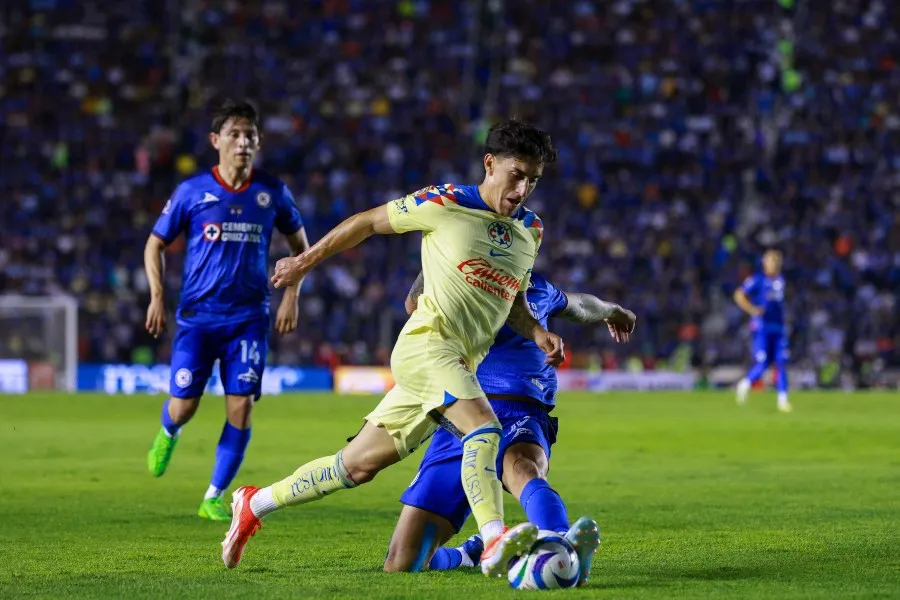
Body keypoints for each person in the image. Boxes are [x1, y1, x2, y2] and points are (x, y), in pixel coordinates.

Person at [221, 119, 563, 579]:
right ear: (490, 164)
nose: (523, 188)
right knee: (484, 429)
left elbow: (513, 299)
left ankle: (254, 502)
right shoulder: (444, 202)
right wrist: (302, 264)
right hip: (427, 347)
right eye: (517, 174)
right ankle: (495, 539)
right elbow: (367, 223)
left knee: (356, 465)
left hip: (460, 362)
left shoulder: (530, 230)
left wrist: (538, 332)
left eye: (533, 180)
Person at [383, 271, 635, 587]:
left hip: (517, 404)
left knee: (520, 468)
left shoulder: (538, 288)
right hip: (459, 412)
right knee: (403, 562)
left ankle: (563, 545)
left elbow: (581, 304)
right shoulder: (455, 272)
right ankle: (471, 553)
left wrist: (614, 311)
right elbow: (412, 304)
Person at [144, 100, 310, 520]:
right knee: (184, 405)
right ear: (216, 140)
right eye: (235, 134)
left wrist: (291, 295)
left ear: (258, 142)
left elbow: (301, 249)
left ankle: (214, 496)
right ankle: (169, 429)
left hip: (248, 319)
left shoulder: (271, 191)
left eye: (250, 135)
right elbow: (155, 244)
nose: (243, 142)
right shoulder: (192, 191)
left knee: (241, 405)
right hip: (197, 318)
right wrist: (157, 295)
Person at [733, 249, 791, 412]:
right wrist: (752, 309)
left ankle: (783, 400)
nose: (774, 264)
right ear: (765, 262)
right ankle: (744, 384)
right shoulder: (757, 280)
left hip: (779, 328)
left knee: (781, 362)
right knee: (763, 362)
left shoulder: (781, 281)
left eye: (776, 260)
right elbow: (739, 294)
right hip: (763, 328)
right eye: (771, 260)